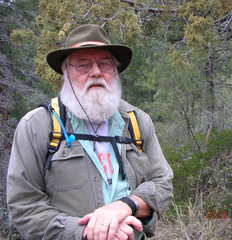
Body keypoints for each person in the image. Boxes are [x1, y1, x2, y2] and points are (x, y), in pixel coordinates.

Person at [7, 24, 173, 240]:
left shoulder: (137, 121)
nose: (96, 72)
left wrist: (127, 205)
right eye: (83, 65)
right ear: (65, 72)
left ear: (115, 70)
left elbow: (163, 183)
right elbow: (24, 207)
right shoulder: (38, 126)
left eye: (105, 63)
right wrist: (87, 232)